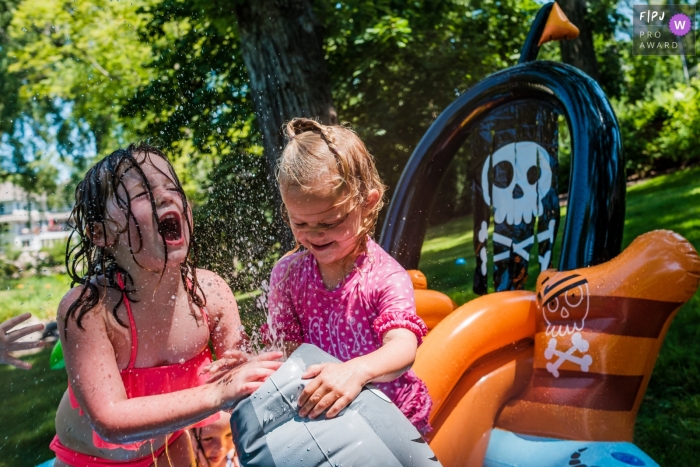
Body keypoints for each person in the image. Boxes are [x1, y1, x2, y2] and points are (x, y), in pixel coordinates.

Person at [50, 143, 282, 467]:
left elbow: (239, 380)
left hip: (169, 448)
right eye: (141, 193)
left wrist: (247, 371)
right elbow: (111, 419)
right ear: (99, 232)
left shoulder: (211, 294)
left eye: (172, 187)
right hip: (85, 460)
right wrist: (218, 394)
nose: (165, 196)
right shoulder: (90, 310)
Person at [265, 118, 432, 434]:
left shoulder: (384, 277)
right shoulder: (287, 278)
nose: (314, 235)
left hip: (394, 421)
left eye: (329, 222)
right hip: (330, 420)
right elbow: (284, 350)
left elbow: (403, 348)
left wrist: (356, 372)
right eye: (300, 223)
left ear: (366, 204)